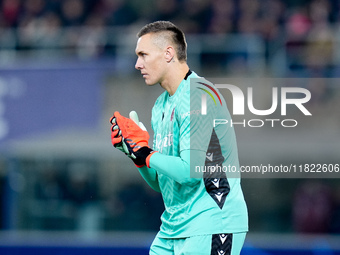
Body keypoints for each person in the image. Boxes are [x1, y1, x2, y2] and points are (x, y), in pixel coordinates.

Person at [110, 21, 248, 255]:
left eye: (143, 55)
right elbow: (161, 182)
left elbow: (190, 172)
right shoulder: (160, 106)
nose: (137, 64)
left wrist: (145, 152)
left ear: (168, 53)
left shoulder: (199, 95)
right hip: (173, 228)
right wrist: (135, 154)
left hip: (213, 222)